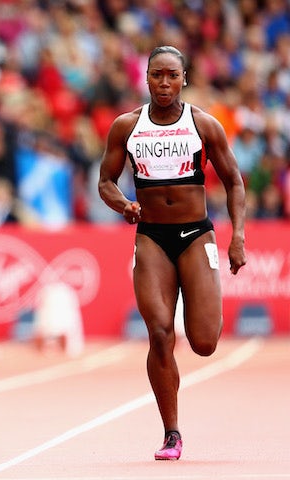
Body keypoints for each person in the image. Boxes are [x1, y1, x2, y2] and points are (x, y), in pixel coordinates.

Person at [98, 46, 247, 461]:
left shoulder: (204, 125)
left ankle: (175, 422)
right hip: (151, 239)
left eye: (172, 76)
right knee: (160, 332)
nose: (164, 83)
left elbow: (235, 181)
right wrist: (123, 204)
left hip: (196, 235)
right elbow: (105, 181)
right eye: (157, 76)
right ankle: (171, 433)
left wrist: (237, 238)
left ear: (184, 78)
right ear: (145, 78)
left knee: (203, 342)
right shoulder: (127, 127)